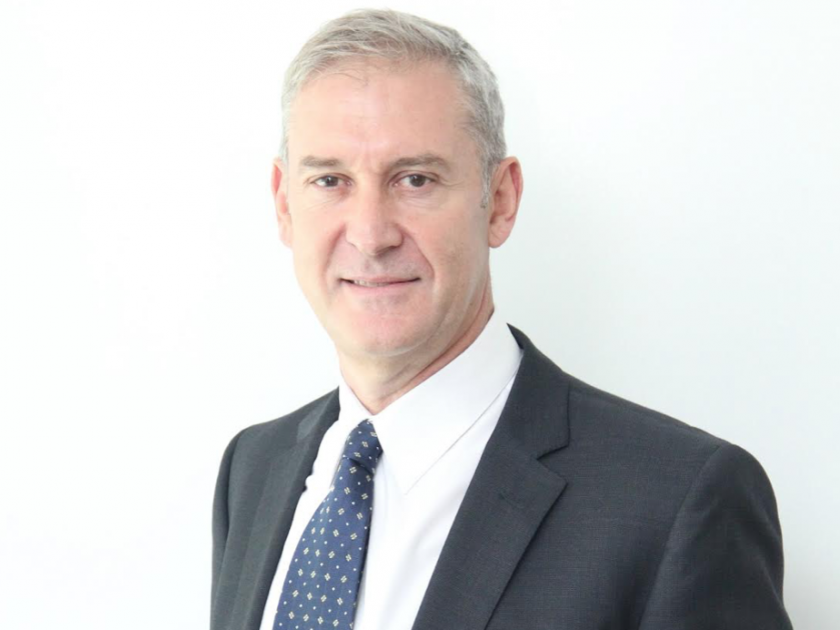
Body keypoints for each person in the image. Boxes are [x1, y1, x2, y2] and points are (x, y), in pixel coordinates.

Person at [211, 9, 793, 630]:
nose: (371, 234)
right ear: (284, 204)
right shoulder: (254, 469)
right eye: (330, 180)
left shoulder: (677, 501)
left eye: (415, 179)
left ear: (501, 201)